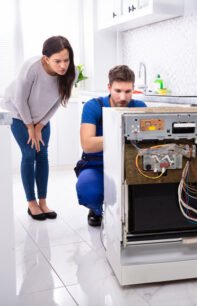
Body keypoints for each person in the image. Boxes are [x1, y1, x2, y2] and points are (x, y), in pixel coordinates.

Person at [2, 36, 76, 220]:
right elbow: (19, 99)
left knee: (42, 154)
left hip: (41, 118)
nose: (63, 66)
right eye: (57, 61)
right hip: (18, 114)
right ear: (46, 59)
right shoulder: (32, 67)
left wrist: (40, 125)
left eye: (66, 60)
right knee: (29, 154)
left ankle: (43, 202)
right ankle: (31, 203)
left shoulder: (68, 73)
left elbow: (58, 101)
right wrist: (29, 126)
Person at [76, 65, 146, 227]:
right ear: (109, 88)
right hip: (96, 165)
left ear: (133, 89)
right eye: (118, 91)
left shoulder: (139, 107)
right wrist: (123, 135)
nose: (123, 97)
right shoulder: (93, 106)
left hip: (128, 164)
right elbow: (87, 145)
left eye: (128, 91)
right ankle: (95, 208)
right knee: (89, 190)